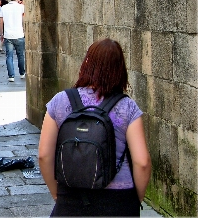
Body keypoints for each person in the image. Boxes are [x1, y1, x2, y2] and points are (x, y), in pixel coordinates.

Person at [38, 38, 152, 216]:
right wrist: (135, 200)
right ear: (120, 70)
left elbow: (44, 155)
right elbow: (142, 162)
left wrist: (57, 194)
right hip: (119, 200)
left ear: (87, 64)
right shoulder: (127, 107)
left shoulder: (60, 101)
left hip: (71, 197)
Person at [0, 0, 25, 82]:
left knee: (9, 56)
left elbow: (1, 22)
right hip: (19, 34)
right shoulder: (21, 7)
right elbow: (24, 19)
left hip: (8, 34)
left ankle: (11, 76)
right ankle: (22, 73)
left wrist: (1, 33)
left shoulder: (4, 7)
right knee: (20, 55)